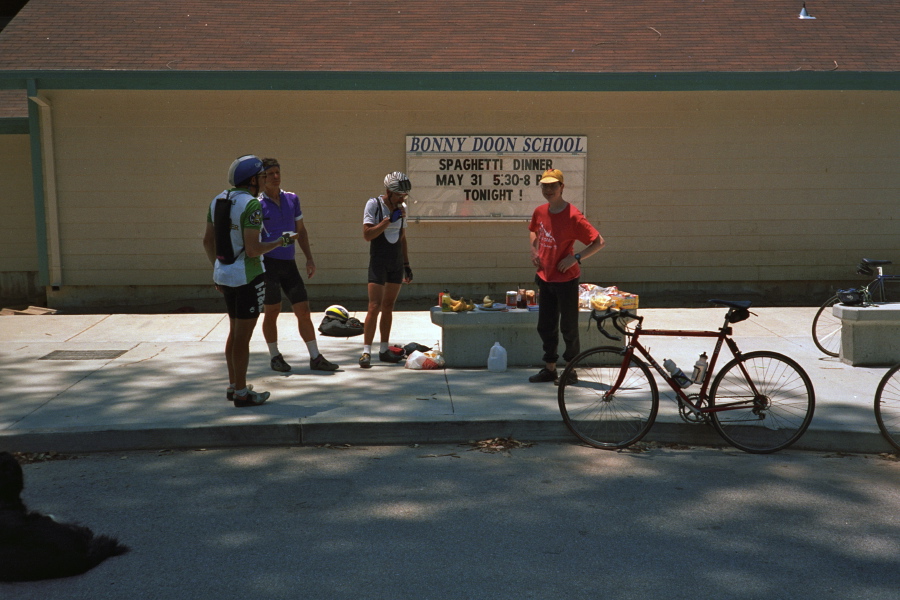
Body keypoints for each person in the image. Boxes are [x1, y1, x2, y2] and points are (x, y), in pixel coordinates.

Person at [202, 155, 297, 407]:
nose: (266, 180)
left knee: (234, 333)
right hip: (247, 276)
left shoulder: (217, 200)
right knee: (243, 337)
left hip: (224, 275)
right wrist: (279, 242)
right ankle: (242, 394)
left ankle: (234, 386)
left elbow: (207, 241)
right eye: (263, 176)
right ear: (253, 179)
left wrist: (219, 268)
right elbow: (253, 250)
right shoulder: (252, 205)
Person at [258, 158, 338, 373]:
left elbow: (301, 231)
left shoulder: (292, 199)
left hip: (289, 263)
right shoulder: (257, 204)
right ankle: (275, 356)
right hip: (268, 264)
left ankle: (315, 357)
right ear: (262, 178)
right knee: (272, 311)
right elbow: (252, 239)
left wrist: (309, 258)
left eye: (278, 172)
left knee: (303, 310)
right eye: (270, 173)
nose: (276, 176)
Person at [528, 168, 605, 384]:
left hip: (566, 280)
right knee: (546, 326)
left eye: (553, 185)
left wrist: (576, 257)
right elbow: (534, 230)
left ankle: (570, 371)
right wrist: (534, 250)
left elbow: (599, 241)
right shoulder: (540, 211)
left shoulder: (573, 215)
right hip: (545, 277)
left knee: (568, 327)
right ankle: (550, 368)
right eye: (545, 185)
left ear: (562, 187)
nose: (548, 189)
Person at [359, 171, 413, 368]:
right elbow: (367, 234)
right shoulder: (374, 204)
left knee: (389, 306)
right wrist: (388, 220)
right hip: (379, 260)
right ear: (389, 191)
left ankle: (383, 349)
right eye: (399, 195)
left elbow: (403, 237)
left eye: (404, 196)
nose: (402, 199)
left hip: (395, 261)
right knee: (374, 306)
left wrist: (406, 265)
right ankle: (366, 352)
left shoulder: (403, 208)